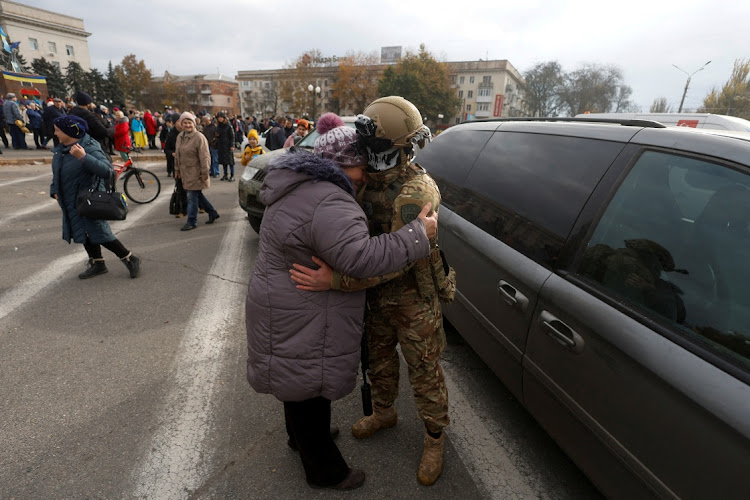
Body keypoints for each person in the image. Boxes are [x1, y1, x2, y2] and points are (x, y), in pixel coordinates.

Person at [245, 113, 437, 491]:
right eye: (361, 165)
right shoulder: (330, 202)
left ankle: (298, 438)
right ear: (344, 164)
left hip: (280, 300)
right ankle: (326, 471)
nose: (366, 174)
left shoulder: (300, 185)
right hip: (301, 310)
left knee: (296, 383)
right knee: (308, 387)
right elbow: (361, 259)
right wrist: (418, 234)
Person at [289, 97, 449, 486]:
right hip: (374, 296)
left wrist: (336, 282)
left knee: (424, 370)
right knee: (378, 360)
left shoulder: (415, 192)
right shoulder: (366, 180)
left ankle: (435, 437)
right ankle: (384, 411)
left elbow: (397, 261)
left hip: (411, 298)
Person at [49, 115, 140, 279]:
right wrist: (54, 189)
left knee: (101, 233)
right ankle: (98, 263)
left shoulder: (89, 146)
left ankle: (130, 258)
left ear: (70, 131)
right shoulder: (61, 149)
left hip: (89, 199)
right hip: (70, 200)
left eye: (57, 130)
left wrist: (83, 157)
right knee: (82, 232)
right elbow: (57, 173)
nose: (55, 134)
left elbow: (107, 171)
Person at [173, 112, 220, 230]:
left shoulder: (199, 137)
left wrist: (205, 173)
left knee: (192, 197)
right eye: (185, 123)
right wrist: (177, 170)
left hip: (196, 173)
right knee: (197, 195)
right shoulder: (180, 137)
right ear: (181, 124)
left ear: (194, 124)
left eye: (189, 123)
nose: (187, 125)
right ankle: (212, 213)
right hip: (185, 173)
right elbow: (178, 155)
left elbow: (205, 157)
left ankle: (192, 221)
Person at [215, 112, 235, 181]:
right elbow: (217, 135)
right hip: (221, 145)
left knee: (230, 161)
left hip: (228, 145)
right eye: (219, 118)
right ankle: (225, 174)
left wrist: (232, 145)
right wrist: (217, 136)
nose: (220, 119)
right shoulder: (218, 126)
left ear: (224, 118)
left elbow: (232, 136)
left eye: (221, 117)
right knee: (224, 161)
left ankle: (232, 175)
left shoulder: (228, 125)